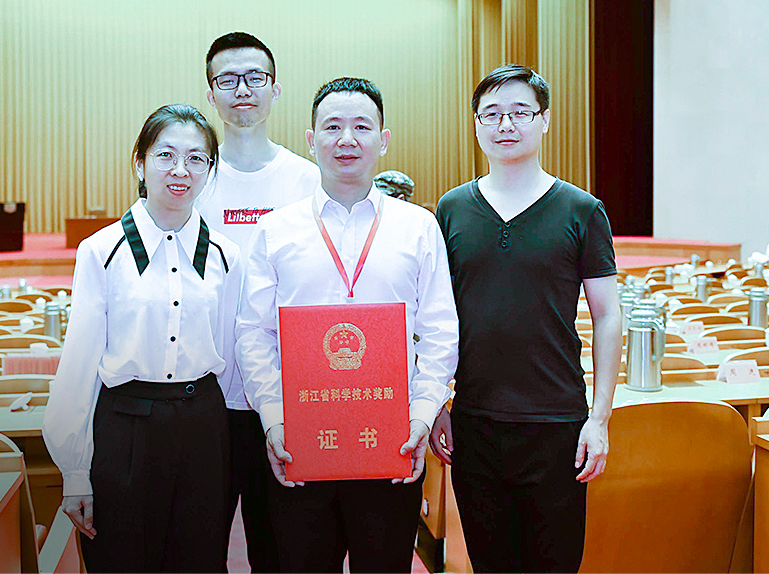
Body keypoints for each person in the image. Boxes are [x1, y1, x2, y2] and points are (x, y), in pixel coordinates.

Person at [235, 77, 458, 573]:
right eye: (332, 127)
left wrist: (422, 415)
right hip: (302, 443)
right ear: (310, 139)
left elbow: (440, 329)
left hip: (392, 440)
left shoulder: (418, 227)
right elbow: (254, 332)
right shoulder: (275, 230)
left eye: (362, 126)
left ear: (384, 139)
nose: (347, 139)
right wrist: (274, 418)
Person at [432, 64, 623, 573]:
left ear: (545, 120)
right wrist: (436, 402)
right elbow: (434, 317)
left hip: (557, 423)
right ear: (476, 124)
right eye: (492, 113)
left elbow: (607, 316)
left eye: (520, 112)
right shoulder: (451, 209)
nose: (506, 124)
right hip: (475, 422)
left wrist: (599, 419)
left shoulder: (582, 210)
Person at [43, 104, 240, 573]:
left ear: (210, 170)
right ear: (140, 163)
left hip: (203, 428)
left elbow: (230, 361)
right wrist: (75, 472)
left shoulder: (226, 255)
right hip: (124, 429)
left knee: (200, 563)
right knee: (121, 560)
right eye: (166, 155)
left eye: (196, 158)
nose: (181, 170)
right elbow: (79, 364)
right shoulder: (100, 251)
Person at [195, 31, 320, 573]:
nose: (242, 89)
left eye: (255, 78)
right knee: (200, 548)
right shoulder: (191, 176)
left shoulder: (307, 179)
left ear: (275, 88)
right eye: (228, 79)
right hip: (205, 397)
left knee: (282, 552)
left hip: (287, 399)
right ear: (210, 94)